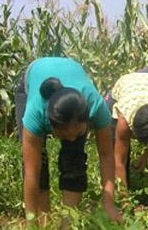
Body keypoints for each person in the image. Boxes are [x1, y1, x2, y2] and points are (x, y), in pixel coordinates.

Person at [15, 57, 122, 225]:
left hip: (72, 72)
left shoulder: (96, 106)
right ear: (51, 124)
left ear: (88, 120)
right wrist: (31, 223)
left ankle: (68, 222)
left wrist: (109, 203)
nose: (72, 138)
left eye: (78, 133)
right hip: (31, 79)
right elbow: (32, 172)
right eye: (64, 135)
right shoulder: (35, 113)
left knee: (74, 157)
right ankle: (44, 219)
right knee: (38, 162)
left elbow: (106, 155)